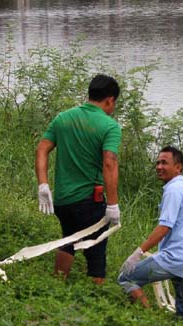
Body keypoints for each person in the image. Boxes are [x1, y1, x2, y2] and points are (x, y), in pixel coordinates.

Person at [35, 75, 122, 285]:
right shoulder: (110, 127)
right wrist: (112, 204)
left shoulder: (63, 118)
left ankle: (56, 285)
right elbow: (109, 163)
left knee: (69, 239)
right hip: (89, 200)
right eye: (114, 103)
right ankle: (97, 301)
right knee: (96, 250)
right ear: (110, 100)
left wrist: (43, 184)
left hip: (63, 200)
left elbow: (42, 149)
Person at [118, 146, 183, 326]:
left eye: (164, 163)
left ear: (178, 167)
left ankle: (148, 322)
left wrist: (139, 252)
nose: (159, 166)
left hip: (176, 257)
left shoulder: (173, 190)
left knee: (126, 278)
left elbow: (165, 226)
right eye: (158, 162)